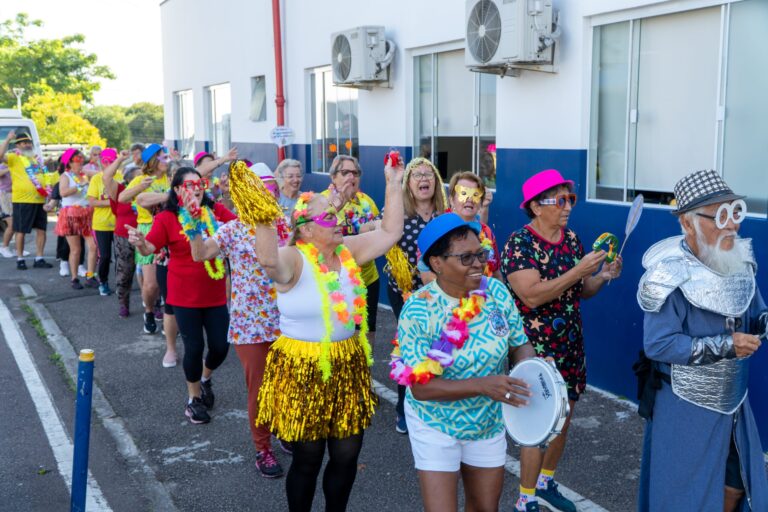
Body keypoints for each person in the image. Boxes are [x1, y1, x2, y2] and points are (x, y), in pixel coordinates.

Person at [252, 158, 404, 512]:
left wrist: (393, 183)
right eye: (329, 217)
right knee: (307, 458)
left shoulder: (347, 251)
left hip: (347, 363)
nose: (338, 221)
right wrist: (261, 215)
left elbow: (390, 232)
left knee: (347, 455)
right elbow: (268, 260)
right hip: (303, 368)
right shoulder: (293, 257)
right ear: (305, 229)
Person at [637, 170, 768, 511]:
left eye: (735, 213)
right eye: (720, 217)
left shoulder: (738, 259)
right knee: (684, 494)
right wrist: (726, 346)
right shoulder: (668, 273)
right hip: (685, 405)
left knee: (737, 480)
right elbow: (659, 345)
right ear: (687, 222)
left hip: (734, 399)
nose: (732, 226)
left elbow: (754, 310)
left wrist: (764, 323)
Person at [393, 213, 535, 512]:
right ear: (437, 263)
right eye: (466, 257)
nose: (478, 263)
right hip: (435, 423)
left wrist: (533, 370)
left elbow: (519, 344)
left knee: (485, 507)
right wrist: (484, 386)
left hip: (486, 421)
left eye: (480, 254)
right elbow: (421, 389)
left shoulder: (495, 292)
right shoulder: (418, 310)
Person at [501, 169, 622, 512]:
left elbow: (581, 290)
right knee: (538, 425)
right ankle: (525, 500)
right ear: (537, 207)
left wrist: (601, 276)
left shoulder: (570, 240)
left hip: (570, 345)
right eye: (560, 200)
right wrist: (578, 271)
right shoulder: (519, 243)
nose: (568, 206)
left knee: (564, 416)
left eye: (571, 199)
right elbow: (531, 296)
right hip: (534, 350)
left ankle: (545, 482)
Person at [190, 170, 291, 478]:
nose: (266, 193)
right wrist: (192, 219)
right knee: (259, 389)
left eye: (269, 188)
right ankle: (263, 449)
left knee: (287, 384)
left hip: (287, 319)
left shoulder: (283, 226)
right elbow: (201, 253)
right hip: (250, 324)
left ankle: (285, 430)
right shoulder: (232, 229)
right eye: (260, 188)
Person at [127, 166, 237, 424]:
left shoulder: (215, 212)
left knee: (221, 347)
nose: (196, 188)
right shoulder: (167, 218)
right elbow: (151, 246)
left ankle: (206, 379)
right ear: (176, 190)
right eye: (188, 185)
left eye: (199, 183)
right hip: (183, 294)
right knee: (195, 347)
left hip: (215, 293)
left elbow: (240, 229)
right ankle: (193, 399)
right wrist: (140, 242)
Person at [384, 157, 446, 434]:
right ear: (408, 183)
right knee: (410, 347)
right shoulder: (398, 213)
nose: (424, 179)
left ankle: (438, 402)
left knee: (441, 345)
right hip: (405, 293)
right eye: (417, 175)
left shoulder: (446, 215)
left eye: (429, 174)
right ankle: (404, 408)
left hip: (441, 293)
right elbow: (381, 233)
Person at [322, 155, 382, 351]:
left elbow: (380, 235)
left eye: (354, 173)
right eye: (344, 172)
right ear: (333, 177)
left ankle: (365, 370)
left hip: (366, 278)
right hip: (334, 279)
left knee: (366, 330)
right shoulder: (322, 202)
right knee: (338, 332)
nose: (350, 177)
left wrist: (374, 227)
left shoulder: (367, 202)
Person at [119, 143, 171, 334]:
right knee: (151, 285)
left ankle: (170, 318)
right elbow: (123, 198)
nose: (166, 159)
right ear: (153, 160)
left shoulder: (171, 179)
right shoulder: (141, 179)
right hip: (147, 230)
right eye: (162, 156)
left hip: (169, 229)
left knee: (171, 281)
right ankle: (149, 311)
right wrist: (139, 187)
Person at [0, 131, 55, 270]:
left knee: (42, 230)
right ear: (18, 145)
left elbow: (43, 175)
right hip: (22, 200)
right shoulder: (14, 157)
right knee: (21, 231)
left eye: (29, 142)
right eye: (24, 142)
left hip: (39, 200)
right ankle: (20, 259)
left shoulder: (35, 159)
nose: (27, 145)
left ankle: (39, 258)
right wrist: (7, 140)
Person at [57, 148, 99, 290]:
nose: (81, 162)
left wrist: (90, 172)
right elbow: (63, 192)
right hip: (71, 214)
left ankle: (90, 275)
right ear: (69, 162)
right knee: (76, 249)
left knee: (93, 246)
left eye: (82, 159)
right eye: (77, 159)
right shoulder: (65, 176)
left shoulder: (85, 175)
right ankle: (74, 278)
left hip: (87, 213)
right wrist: (79, 186)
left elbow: (101, 175)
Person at [447, 172, 501, 281]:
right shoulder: (440, 230)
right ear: (452, 200)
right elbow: (429, 274)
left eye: (475, 195)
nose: (470, 199)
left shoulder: (487, 233)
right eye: (463, 193)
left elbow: (496, 273)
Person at [103, 151, 138, 318]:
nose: (141, 179)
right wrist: (120, 159)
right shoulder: (120, 190)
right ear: (129, 179)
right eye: (137, 177)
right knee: (125, 271)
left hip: (146, 235)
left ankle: (153, 306)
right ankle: (123, 302)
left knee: (150, 274)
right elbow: (106, 177)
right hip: (124, 236)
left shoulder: (148, 191)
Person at [87, 148, 120, 296]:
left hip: (119, 223)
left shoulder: (120, 177)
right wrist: (113, 202)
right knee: (105, 256)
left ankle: (121, 282)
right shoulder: (96, 179)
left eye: (111, 162)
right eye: (105, 161)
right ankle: (103, 282)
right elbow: (93, 202)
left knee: (121, 256)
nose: (107, 164)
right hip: (101, 224)